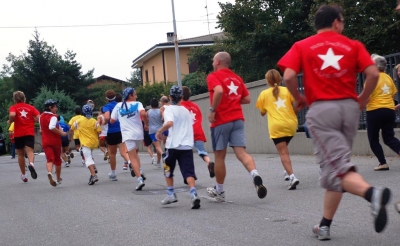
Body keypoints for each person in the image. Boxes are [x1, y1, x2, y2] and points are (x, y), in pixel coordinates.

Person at [277, 4, 390, 240]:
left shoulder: (302, 45)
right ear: (337, 22)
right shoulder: (352, 45)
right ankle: (324, 225)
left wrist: (299, 99)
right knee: (337, 166)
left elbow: (287, 76)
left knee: (337, 167)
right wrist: (363, 98)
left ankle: (372, 194)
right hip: (349, 110)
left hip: (322, 110)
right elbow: (373, 73)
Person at [206, 51, 267, 201]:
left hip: (221, 121)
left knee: (219, 157)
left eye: (214, 61)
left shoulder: (213, 77)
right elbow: (246, 98)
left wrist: (213, 110)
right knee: (242, 153)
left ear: (218, 62)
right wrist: (232, 100)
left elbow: (219, 90)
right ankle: (255, 174)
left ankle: (220, 191)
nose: (213, 63)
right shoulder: (237, 78)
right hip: (237, 119)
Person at [156, 85, 201, 209]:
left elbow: (170, 123)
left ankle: (171, 193)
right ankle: (193, 193)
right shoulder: (186, 111)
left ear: (170, 97)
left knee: (167, 168)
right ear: (182, 97)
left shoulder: (168, 109)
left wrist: (159, 131)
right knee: (188, 171)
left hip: (173, 145)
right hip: (186, 145)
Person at [255, 69, 299, 190]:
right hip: (291, 124)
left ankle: (292, 177)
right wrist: (292, 113)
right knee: (284, 149)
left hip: (277, 126)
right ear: (280, 79)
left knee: (283, 153)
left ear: (267, 81)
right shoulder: (287, 90)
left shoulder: (264, 94)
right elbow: (298, 104)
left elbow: (262, 113)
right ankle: (287, 171)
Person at [366, 54, 400, 171]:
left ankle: (382, 163)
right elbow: (392, 95)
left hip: (374, 111)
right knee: (389, 137)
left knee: (373, 138)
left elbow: (367, 98)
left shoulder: (372, 77)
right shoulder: (389, 78)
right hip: (389, 111)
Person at [110, 87, 148, 191]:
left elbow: (112, 120)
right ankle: (139, 170)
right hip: (138, 133)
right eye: (135, 94)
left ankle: (139, 179)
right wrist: (146, 124)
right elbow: (143, 113)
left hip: (127, 134)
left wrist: (121, 118)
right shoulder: (138, 104)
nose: (136, 96)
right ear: (130, 95)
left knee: (133, 157)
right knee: (135, 154)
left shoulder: (118, 106)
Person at [181, 86, 215, 178]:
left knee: (187, 154)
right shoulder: (195, 106)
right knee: (201, 151)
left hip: (187, 133)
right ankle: (209, 162)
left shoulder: (180, 107)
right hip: (198, 131)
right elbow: (200, 118)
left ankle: (191, 173)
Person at [98, 90, 130, 181]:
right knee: (123, 152)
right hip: (121, 130)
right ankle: (130, 162)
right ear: (115, 97)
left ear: (106, 98)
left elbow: (107, 117)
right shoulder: (120, 105)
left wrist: (105, 122)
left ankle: (113, 173)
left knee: (112, 154)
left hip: (111, 131)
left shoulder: (106, 107)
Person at [8, 91, 40, 182]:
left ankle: (24, 175)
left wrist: (10, 121)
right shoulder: (31, 107)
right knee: (30, 151)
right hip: (29, 132)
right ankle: (31, 163)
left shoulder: (13, 107)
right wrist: (33, 120)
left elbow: (12, 114)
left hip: (18, 134)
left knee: (20, 154)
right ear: (24, 98)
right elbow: (39, 117)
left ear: (15, 99)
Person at [71, 105, 102, 185]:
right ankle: (93, 166)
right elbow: (99, 132)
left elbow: (72, 128)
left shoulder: (78, 121)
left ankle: (93, 175)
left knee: (87, 159)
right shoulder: (94, 121)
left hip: (85, 143)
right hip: (94, 143)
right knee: (89, 155)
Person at [40, 99, 67, 187]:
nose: (56, 108)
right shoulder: (53, 117)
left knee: (49, 159)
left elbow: (41, 130)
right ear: (50, 107)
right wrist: (61, 133)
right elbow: (51, 127)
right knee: (58, 160)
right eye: (55, 107)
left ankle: (49, 173)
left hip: (45, 141)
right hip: (55, 142)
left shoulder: (41, 116)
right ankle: (58, 178)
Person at [147, 98, 163, 168]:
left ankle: (163, 154)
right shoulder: (160, 111)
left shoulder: (148, 112)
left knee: (157, 147)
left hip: (152, 131)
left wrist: (146, 123)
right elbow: (163, 118)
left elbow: (144, 118)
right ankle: (158, 162)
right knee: (158, 146)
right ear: (158, 104)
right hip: (160, 130)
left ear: (151, 105)